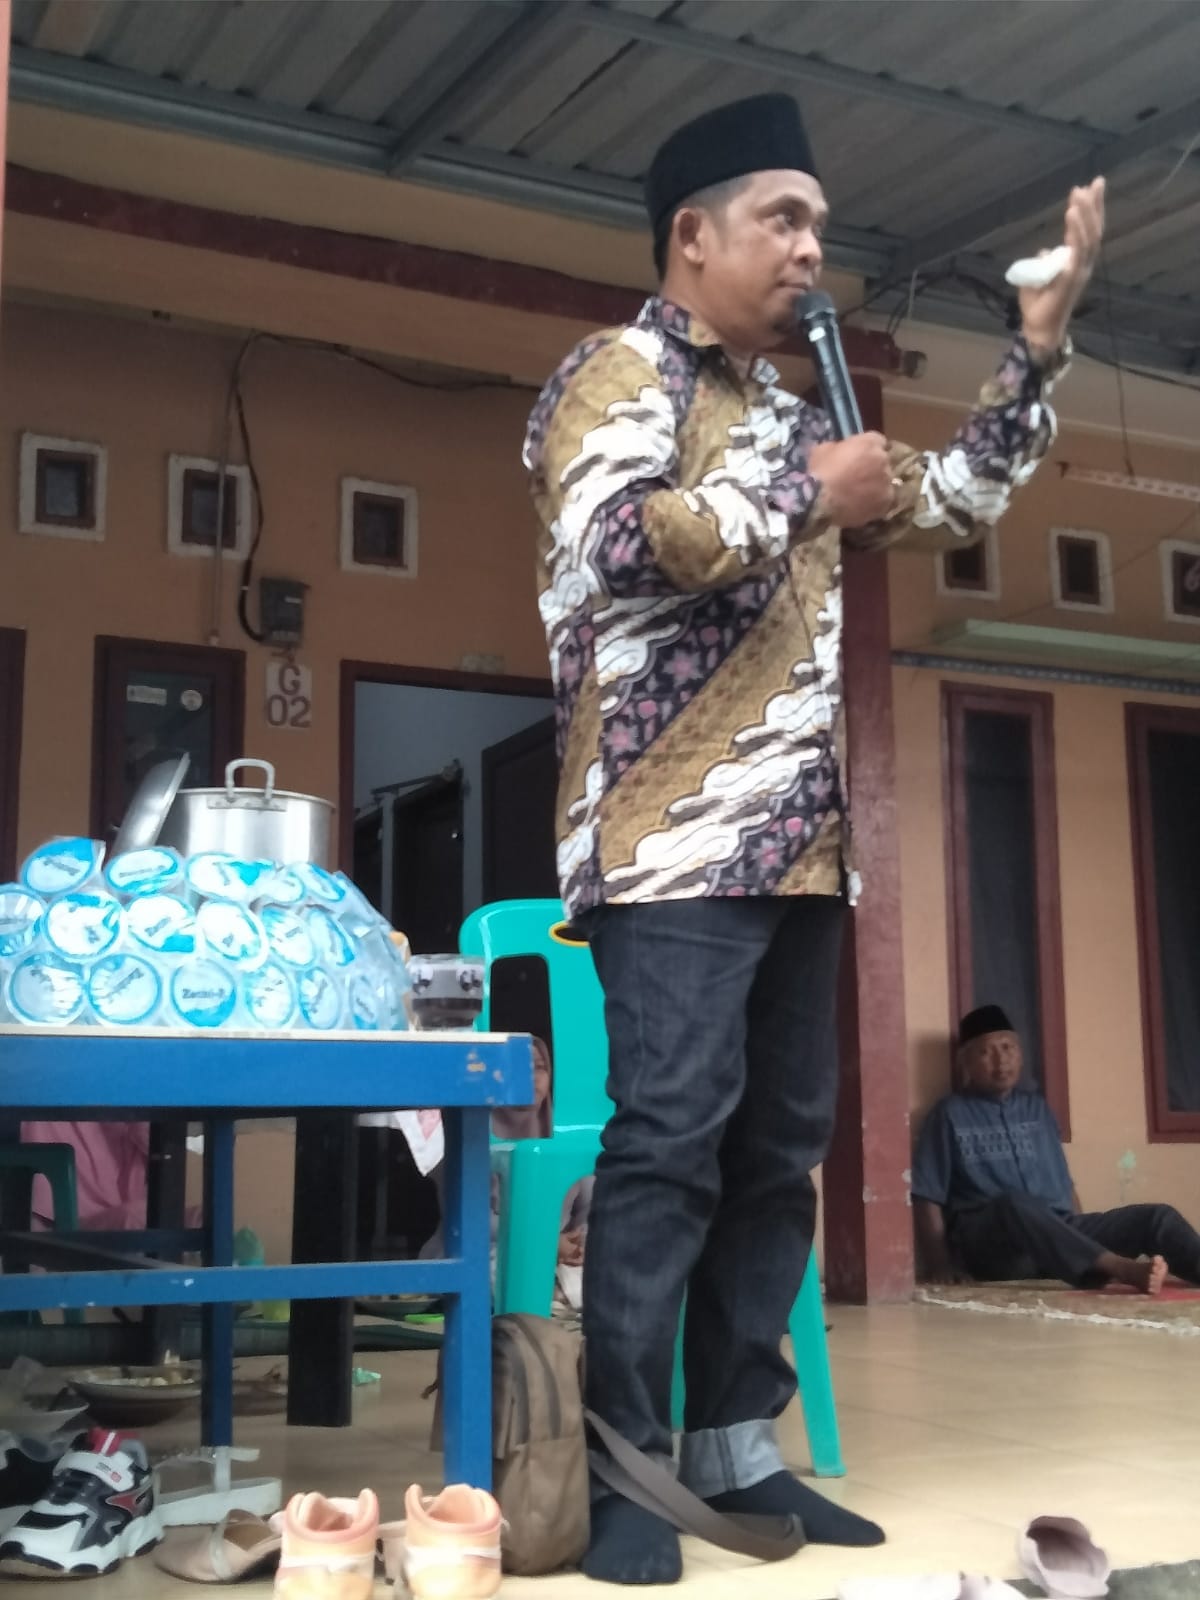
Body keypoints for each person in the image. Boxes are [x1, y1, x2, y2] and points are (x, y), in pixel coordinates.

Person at [523, 91, 1105, 1586]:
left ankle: (736, 1444)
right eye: (783, 220)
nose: (809, 249)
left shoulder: (799, 414)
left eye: (820, 227)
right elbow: (614, 541)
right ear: (692, 234)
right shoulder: (614, 373)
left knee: (780, 1150)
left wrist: (1035, 350)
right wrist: (807, 494)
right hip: (668, 847)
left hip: (801, 848)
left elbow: (953, 497)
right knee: (668, 1146)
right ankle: (625, 1466)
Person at [912, 1005, 1200, 1294]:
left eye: (1008, 1047)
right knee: (1014, 1203)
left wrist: (1080, 1243)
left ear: (1020, 1054)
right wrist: (940, 1264)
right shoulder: (948, 1115)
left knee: (1156, 1218)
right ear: (965, 1062)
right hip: (998, 1248)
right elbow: (927, 1196)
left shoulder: (1037, 1110)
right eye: (986, 1052)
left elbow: (1064, 1185)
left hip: (1056, 1241)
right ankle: (1118, 1268)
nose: (1001, 1060)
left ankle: (1100, 1263)